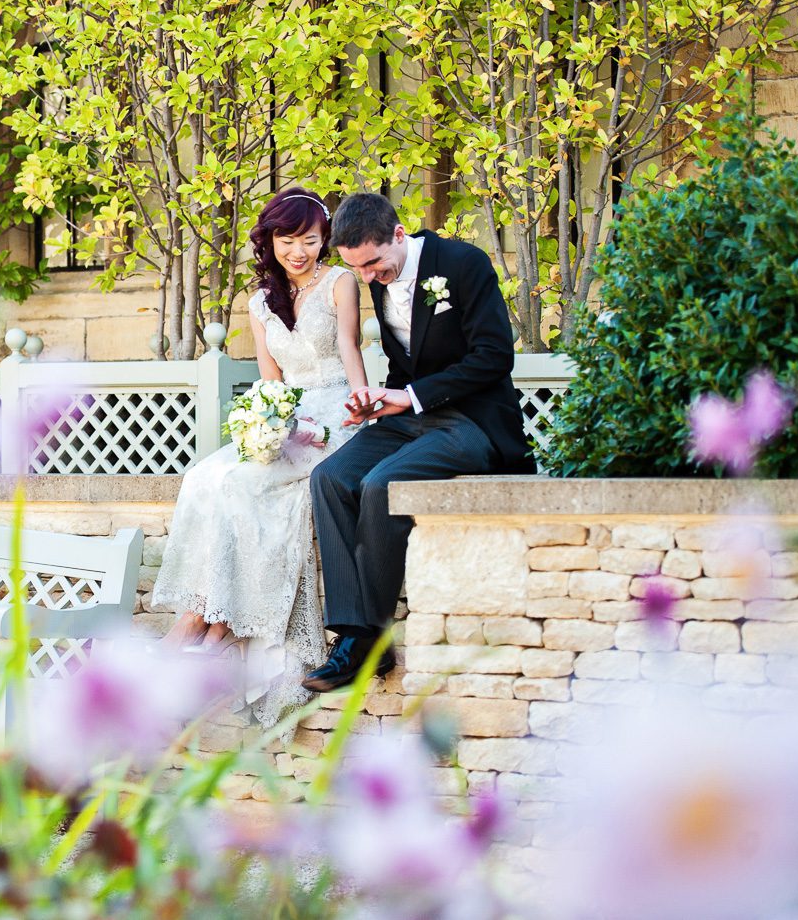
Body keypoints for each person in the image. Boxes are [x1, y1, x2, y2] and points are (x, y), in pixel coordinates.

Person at [302, 192, 535, 694]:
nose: (366, 277)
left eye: (372, 263)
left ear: (399, 235)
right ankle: (358, 632)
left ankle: (363, 640)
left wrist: (411, 397)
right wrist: (381, 400)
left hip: (474, 424)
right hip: (414, 418)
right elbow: (408, 363)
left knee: (382, 484)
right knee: (330, 477)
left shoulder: (463, 263)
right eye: (355, 268)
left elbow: (495, 357)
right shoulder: (380, 279)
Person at [152, 186, 368, 726]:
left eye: (310, 240)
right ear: (270, 242)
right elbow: (271, 383)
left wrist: (363, 408)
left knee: (247, 487)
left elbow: (348, 347)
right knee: (208, 477)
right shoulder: (258, 303)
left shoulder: (340, 283)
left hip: (336, 414)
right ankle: (206, 625)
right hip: (288, 416)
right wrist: (268, 427)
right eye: (287, 240)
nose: (299, 251)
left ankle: (201, 634)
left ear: (325, 239)